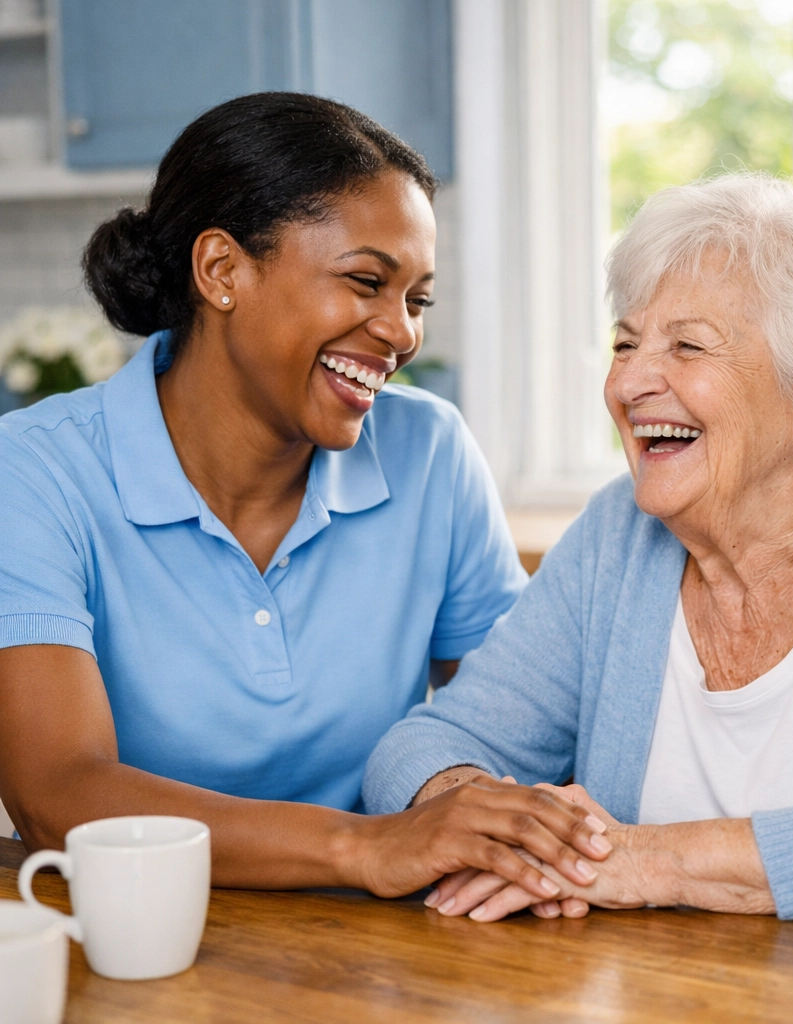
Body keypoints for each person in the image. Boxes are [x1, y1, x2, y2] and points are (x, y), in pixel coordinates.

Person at [364, 173, 793, 924]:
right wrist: (509, 831)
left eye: (687, 346)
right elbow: (422, 748)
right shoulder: (616, 535)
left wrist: (638, 859)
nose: (629, 382)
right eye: (625, 342)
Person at [0, 93, 610, 900]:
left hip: (385, 932)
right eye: (366, 281)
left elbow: (518, 726)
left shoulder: (429, 452)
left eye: (417, 299)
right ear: (222, 271)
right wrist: (366, 847)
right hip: (136, 926)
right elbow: (57, 794)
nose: (403, 333)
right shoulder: (34, 471)